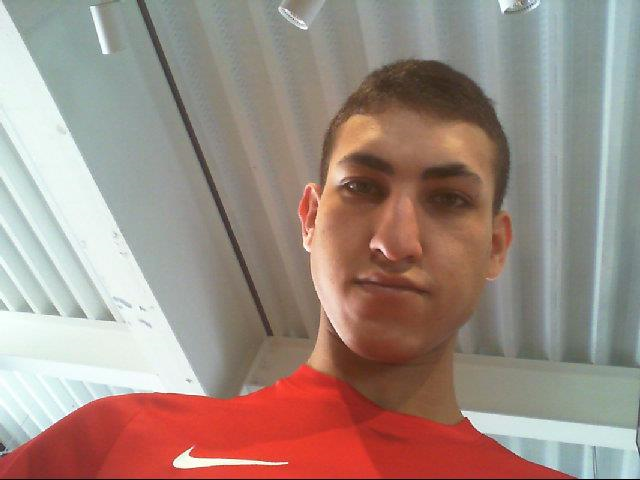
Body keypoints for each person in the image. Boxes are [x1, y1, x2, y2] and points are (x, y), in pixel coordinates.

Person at [0, 59, 574, 479]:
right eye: (362, 187)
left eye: (448, 200)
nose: (394, 243)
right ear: (311, 218)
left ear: (495, 246)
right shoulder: (114, 439)